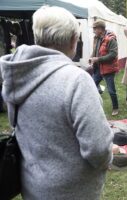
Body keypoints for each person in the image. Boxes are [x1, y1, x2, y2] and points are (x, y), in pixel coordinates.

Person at [0, 6, 113, 200]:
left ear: (38, 37)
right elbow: (99, 150)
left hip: (32, 185)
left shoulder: (17, 73)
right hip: (72, 192)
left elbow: (15, 125)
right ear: (73, 40)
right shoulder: (77, 80)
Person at [89, 20, 119, 116]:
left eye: (94, 29)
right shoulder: (96, 38)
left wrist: (98, 59)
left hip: (108, 68)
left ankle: (115, 108)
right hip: (98, 68)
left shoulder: (111, 39)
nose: (93, 31)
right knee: (92, 86)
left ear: (100, 29)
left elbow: (113, 55)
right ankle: (93, 105)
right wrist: (92, 58)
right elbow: (96, 51)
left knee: (111, 90)